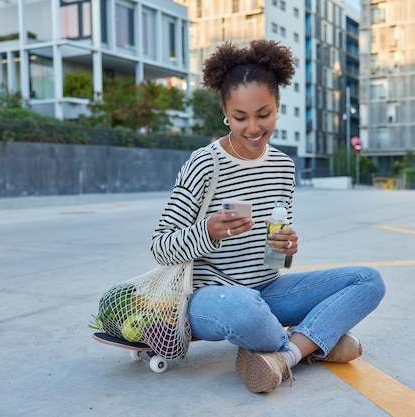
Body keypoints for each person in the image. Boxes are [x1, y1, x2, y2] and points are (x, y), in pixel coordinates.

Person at [150, 40, 385, 393]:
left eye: (264, 114)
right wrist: (209, 230)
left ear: (277, 107)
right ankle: (313, 344)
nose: (253, 128)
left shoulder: (283, 167)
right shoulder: (203, 164)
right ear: (225, 113)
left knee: (369, 281)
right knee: (245, 310)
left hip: (268, 290)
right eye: (240, 117)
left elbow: (278, 255)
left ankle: (283, 354)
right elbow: (160, 247)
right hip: (212, 296)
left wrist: (287, 247)